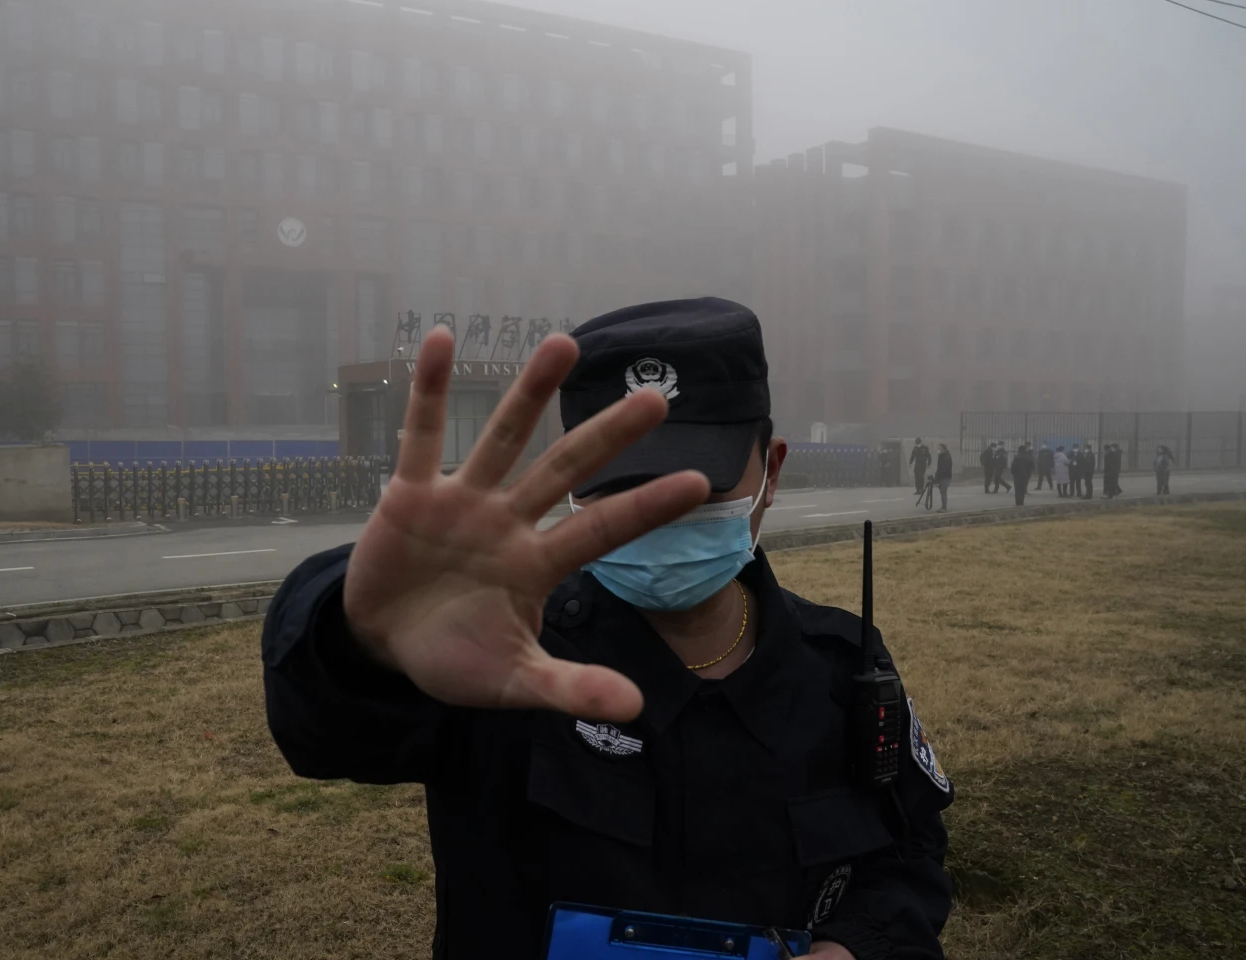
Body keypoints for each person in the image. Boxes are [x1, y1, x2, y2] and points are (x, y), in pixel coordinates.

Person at [260, 299, 953, 960]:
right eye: (621, 481)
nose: (656, 512)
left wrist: (857, 945)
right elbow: (322, 732)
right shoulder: (501, 657)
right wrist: (361, 638)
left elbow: (910, 855)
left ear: (770, 470)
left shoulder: (841, 668)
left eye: (697, 479)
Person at [934, 442, 953, 512]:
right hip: (942, 477)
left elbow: (945, 469)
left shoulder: (946, 457)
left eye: (939, 449)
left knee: (943, 492)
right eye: (938, 449)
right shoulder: (941, 456)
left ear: (943, 449)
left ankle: (944, 508)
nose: (938, 450)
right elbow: (939, 468)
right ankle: (943, 507)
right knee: (942, 492)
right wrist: (936, 475)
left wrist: (938, 476)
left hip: (946, 477)